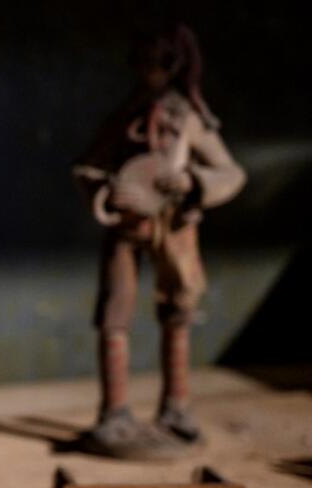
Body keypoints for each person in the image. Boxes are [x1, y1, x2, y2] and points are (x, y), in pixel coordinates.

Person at [73, 23, 245, 458]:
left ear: (175, 64)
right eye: (142, 61)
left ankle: (176, 409)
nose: (149, 70)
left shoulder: (187, 119)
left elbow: (231, 172)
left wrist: (190, 179)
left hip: (174, 227)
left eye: (159, 62)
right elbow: (86, 168)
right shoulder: (125, 116)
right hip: (126, 227)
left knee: (178, 309)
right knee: (115, 314)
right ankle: (114, 412)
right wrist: (110, 191)